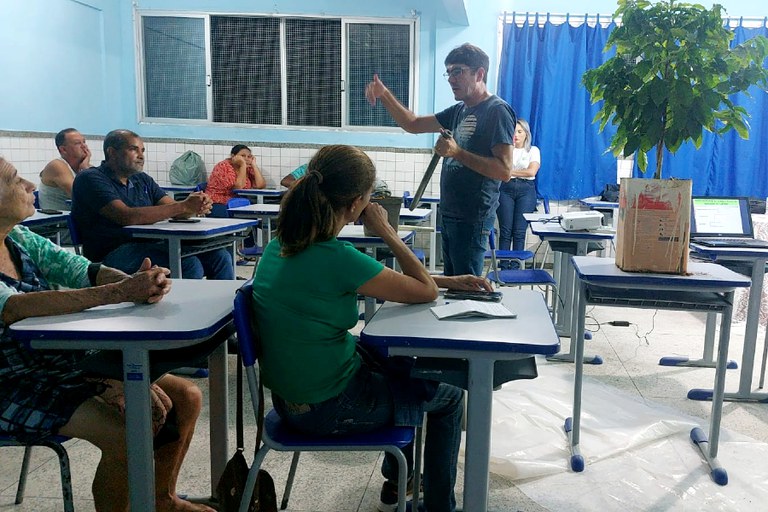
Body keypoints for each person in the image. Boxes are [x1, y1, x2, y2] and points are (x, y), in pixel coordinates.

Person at [252, 145, 492, 512]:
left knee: (406, 368)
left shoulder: (283, 244)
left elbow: (390, 281)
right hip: (327, 409)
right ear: (355, 204)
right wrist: (387, 231)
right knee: (447, 396)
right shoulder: (338, 257)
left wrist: (448, 280)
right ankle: (438, 505)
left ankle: (400, 482)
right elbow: (422, 292)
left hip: (289, 402)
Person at [0, 156, 214, 512]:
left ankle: (163, 500)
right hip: (13, 384)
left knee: (186, 396)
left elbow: (81, 269)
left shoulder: (18, 238)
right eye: (13, 180)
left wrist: (134, 283)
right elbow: (15, 307)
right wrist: (120, 293)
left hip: (56, 363)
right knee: (130, 433)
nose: (30, 185)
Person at [366, 43, 517, 276]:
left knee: (468, 293)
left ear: (479, 74)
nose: (451, 79)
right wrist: (384, 95)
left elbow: (504, 171)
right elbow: (413, 124)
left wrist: (457, 152)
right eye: (449, 72)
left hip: (472, 218)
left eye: (458, 71)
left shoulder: (497, 111)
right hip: (450, 214)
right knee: (455, 287)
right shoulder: (459, 110)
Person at [71, 129, 234, 280]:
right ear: (112, 152)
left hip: (151, 244)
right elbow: (125, 216)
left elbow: (173, 208)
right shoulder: (91, 178)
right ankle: (180, 311)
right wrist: (183, 206)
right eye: (134, 149)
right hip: (111, 252)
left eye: (143, 151)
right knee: (188, 265)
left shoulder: (141, 179)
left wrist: (195, 206)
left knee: (220, 257)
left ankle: (227, 310)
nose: (141, 156)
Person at [496, 119, 540, 265]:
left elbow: (531, 171)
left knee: (519, 232)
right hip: (506, 189)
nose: (516, 135)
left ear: (526, 134)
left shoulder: (533, 150)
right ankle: (503, 268)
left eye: (520, 132)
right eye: (514, 131)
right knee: (505, 231)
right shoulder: (506, 150)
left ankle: (516, 268)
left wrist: (509, 171)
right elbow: (500, 171)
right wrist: (510, 172)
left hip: (526, 190)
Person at [38, 128, 92, 211]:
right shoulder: (56, 166)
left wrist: (85, 168)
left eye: (84, 142)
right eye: (77, 143)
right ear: (63, 150)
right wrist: (85, 169)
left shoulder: (86, 167)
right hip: (57, 221)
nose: (84, 146)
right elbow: (82, 196)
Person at [206, 144, 266, 217]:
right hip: (218, 202)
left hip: (238, 202)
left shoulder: (248, 167)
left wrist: (254, 165)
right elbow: (238, 188)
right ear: (233, 156)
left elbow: (261, 185)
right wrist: (243, 165)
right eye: (242, 156)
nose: (246, 159)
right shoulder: (223, 166)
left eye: (249, 156)